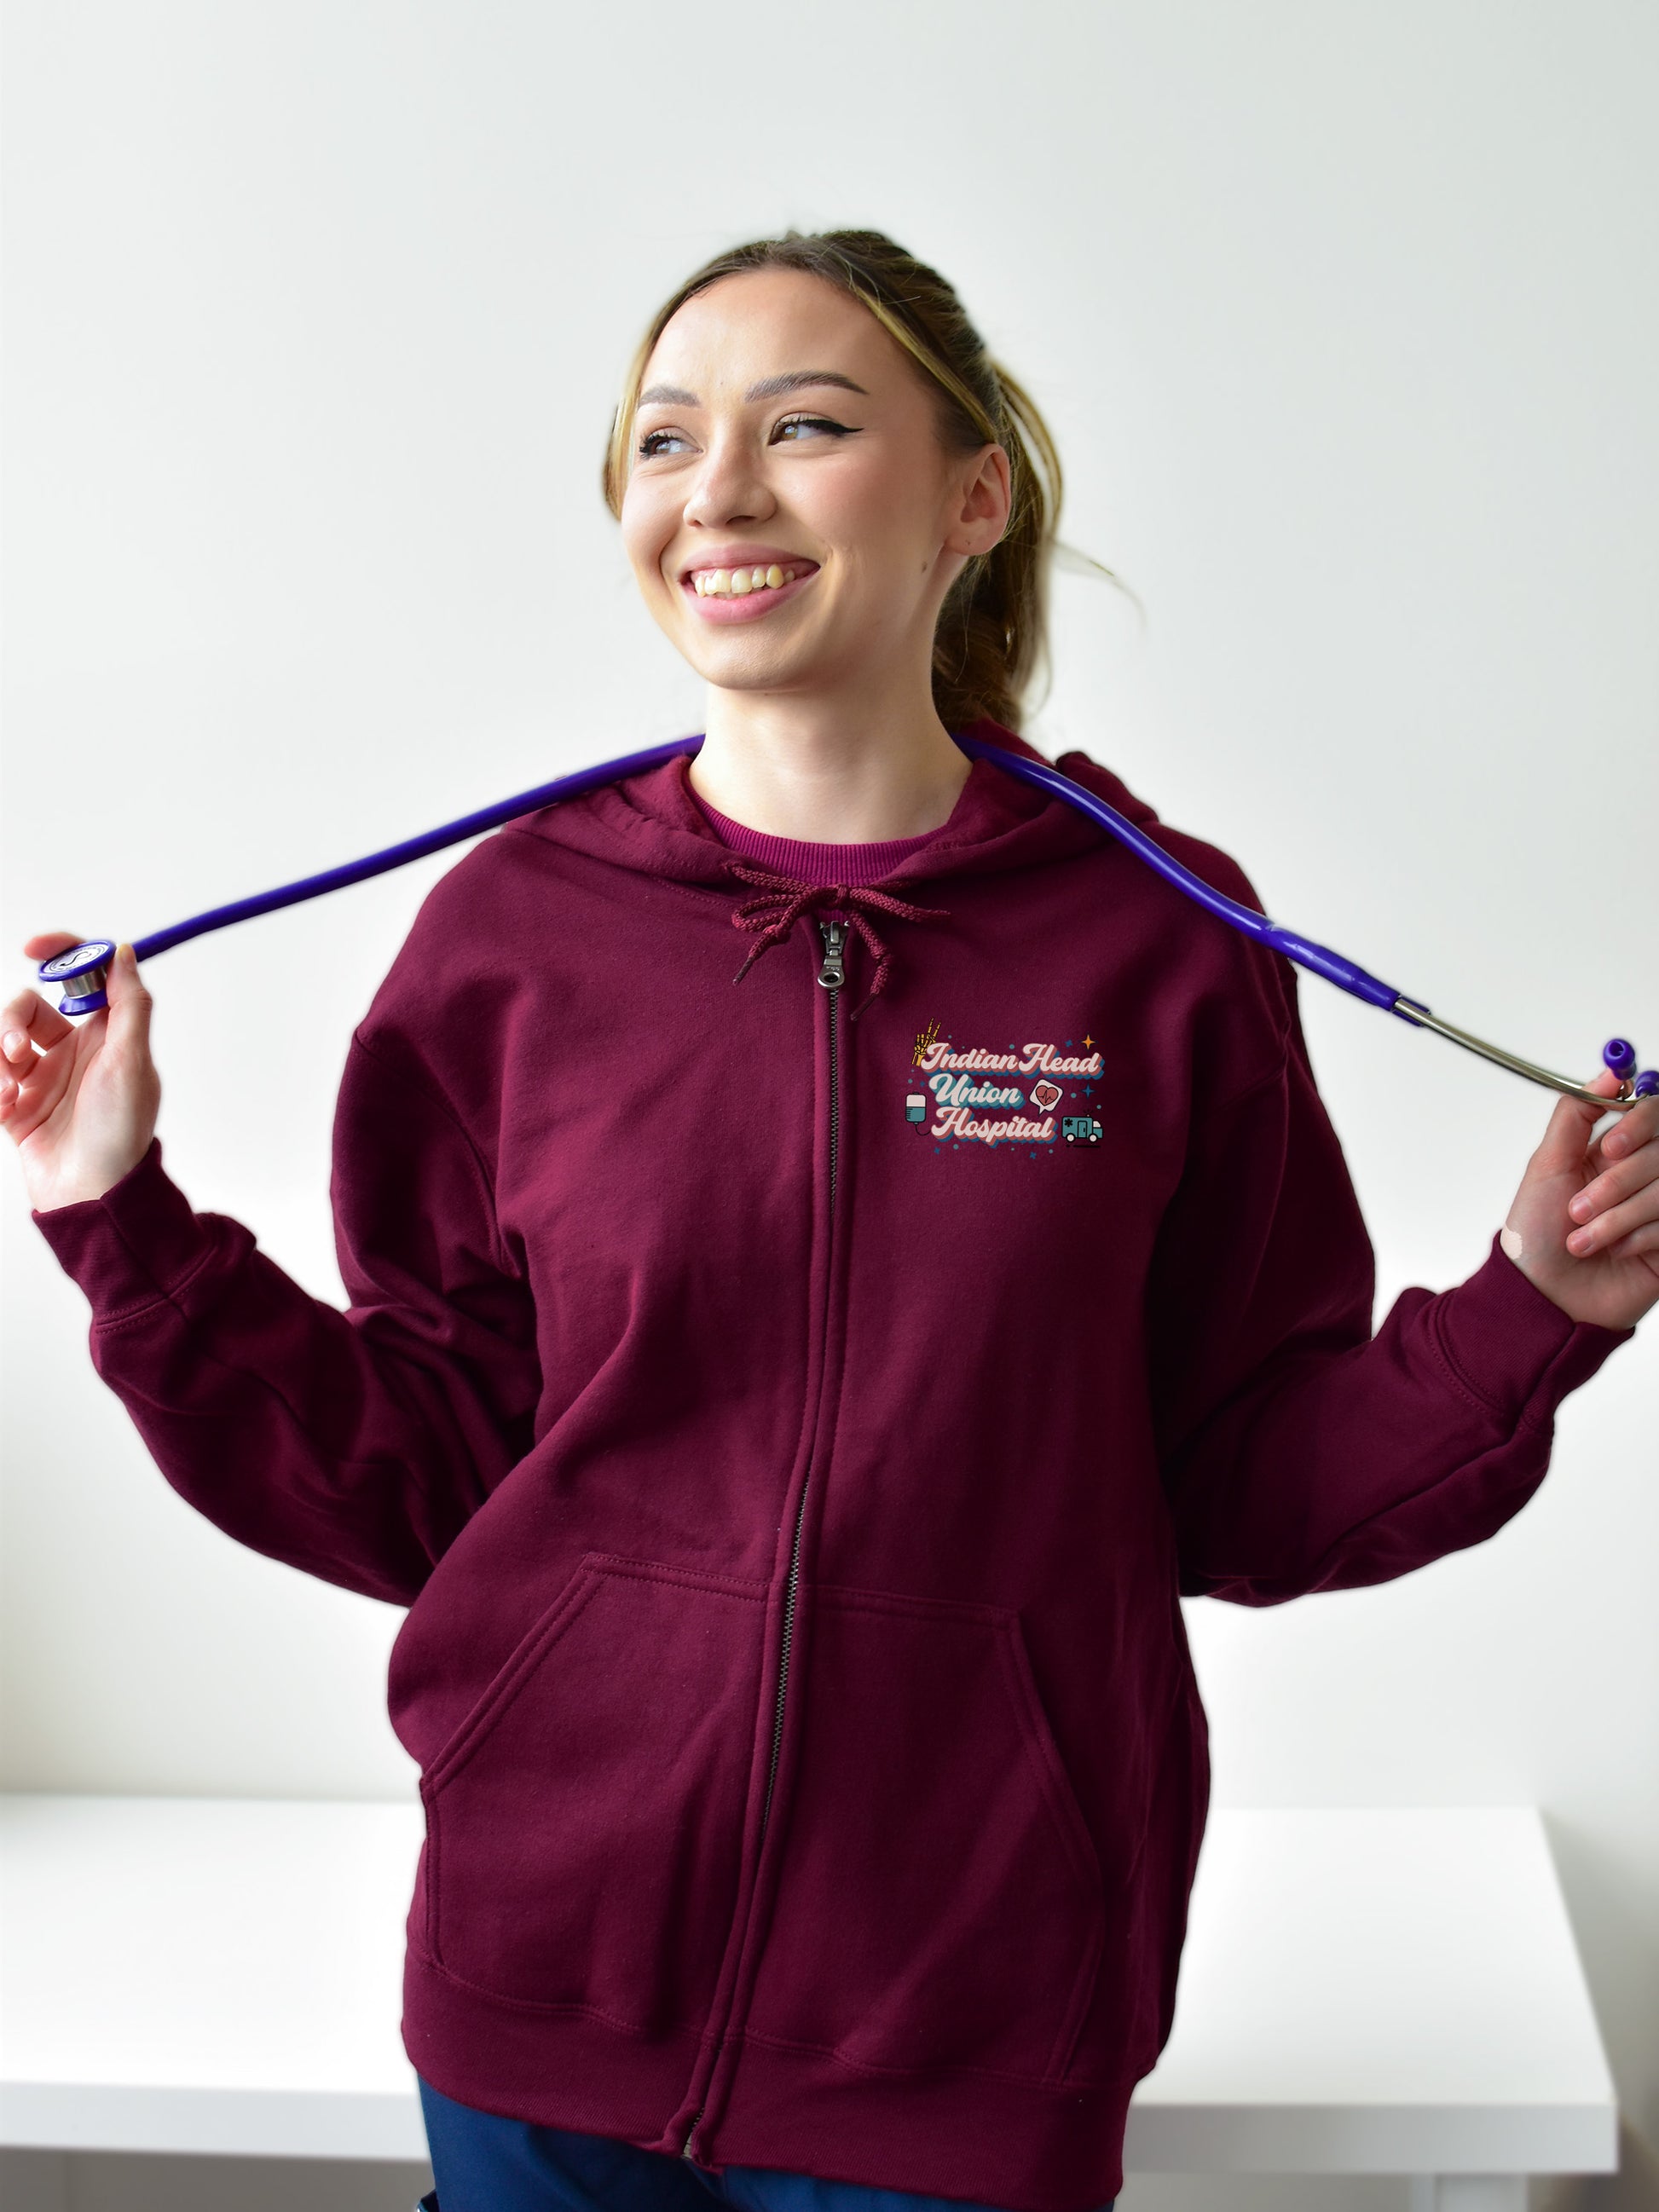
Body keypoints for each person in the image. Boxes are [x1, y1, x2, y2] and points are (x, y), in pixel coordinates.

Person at [4, 228, 1655, 2212]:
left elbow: (1242, 1480)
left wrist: (1534, 1300)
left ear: (976, 496)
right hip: (537, 2015)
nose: (717, 491)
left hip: (971, 2028)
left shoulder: (1157, 941)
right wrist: (112, 1211)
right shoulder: (511, 936)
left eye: (802, 426)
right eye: (664, 439)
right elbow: (426, 1471)